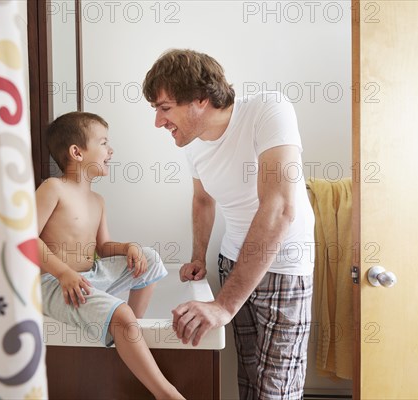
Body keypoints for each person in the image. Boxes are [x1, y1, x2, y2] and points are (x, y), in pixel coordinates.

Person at [143, 49, 315, 400]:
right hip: (232, 262)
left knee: (276, 391)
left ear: (201, 99)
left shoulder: (268, 109)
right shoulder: (192, 146)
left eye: (164, 108)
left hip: (284, 265)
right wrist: (197, 257)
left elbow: (279, 207)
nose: (159, 122)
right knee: (250, 380)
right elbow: (203, 200)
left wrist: (223, 306)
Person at [36, 111, 184, 400]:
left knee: (150, 258)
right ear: (77, 152)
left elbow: (103, 248)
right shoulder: (52, 188)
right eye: (103, 142)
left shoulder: (97, 200)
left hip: (90, 278)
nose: (110, 150)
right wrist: (63, 272)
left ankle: (128, 333)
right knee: (121, 313)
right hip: (57, 285)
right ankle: (166, 393)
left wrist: (128, 247)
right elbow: (26, 239)